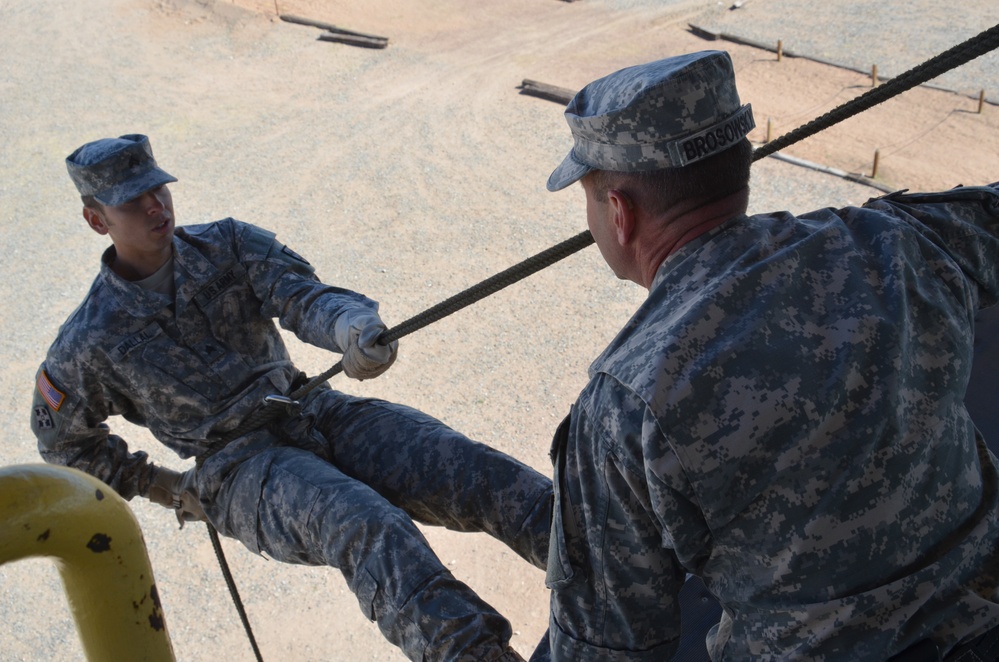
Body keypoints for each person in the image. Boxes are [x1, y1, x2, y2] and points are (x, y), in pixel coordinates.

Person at [536, 51, 999, 660]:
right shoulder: (898, 242)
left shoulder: (623, 405)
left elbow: (609, 647)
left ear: (619, 214)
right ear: (740, 168)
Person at [30, 134, 553, 662]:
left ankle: (616, 574)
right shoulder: (89, 341)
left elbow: (302, 294)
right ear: (97, 220)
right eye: (130, 201)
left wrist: (350, 325)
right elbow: (66, 445)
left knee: (466, 467)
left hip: (311, 408)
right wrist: (167, 488)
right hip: (237, 469)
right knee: (363, 525)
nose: (154, 206)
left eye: (157, 189)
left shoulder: (227, 245)